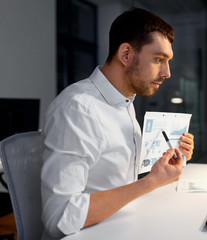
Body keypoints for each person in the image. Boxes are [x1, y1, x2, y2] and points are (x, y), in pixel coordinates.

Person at [41, 8, 194, 239]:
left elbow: (119, 177)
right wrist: (149, 183)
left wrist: (170, 159)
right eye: (158, 59)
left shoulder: (124, 102)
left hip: (122, 225)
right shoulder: (77, 108)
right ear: (125, 55)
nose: (167, 73)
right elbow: (59, 218)